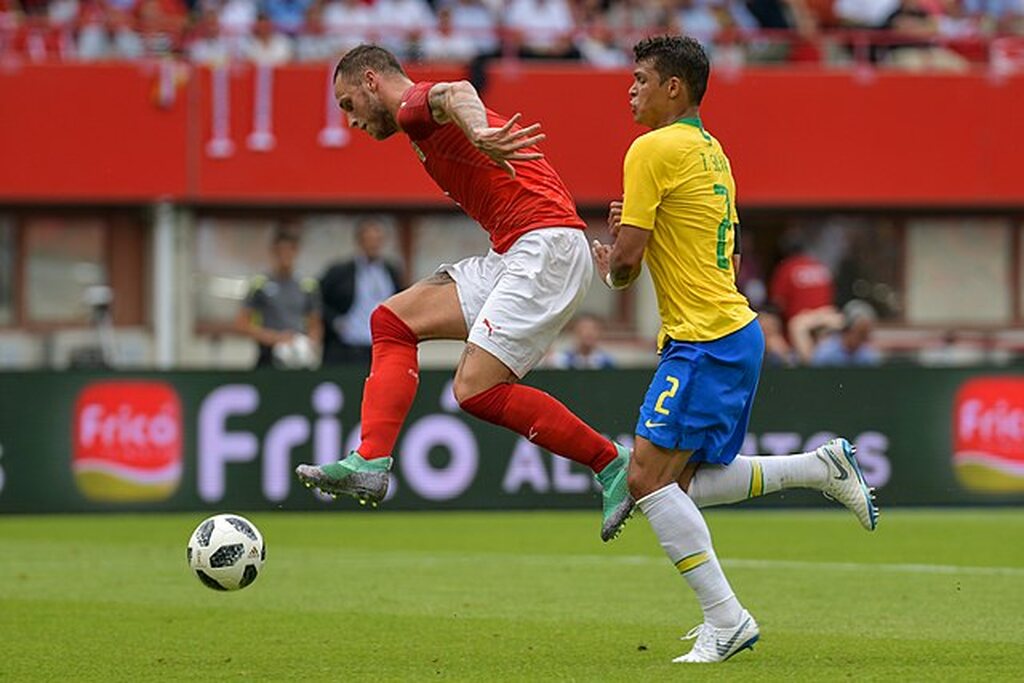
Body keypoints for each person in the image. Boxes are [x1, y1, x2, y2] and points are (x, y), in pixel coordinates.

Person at [591, 35, 878, 664]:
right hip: (729, 332)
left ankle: (727, 619)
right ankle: (820, 468)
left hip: (703, 338)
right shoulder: (711, 151)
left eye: (640, 78)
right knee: (681, 483)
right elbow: (733, 250)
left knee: (644, 480)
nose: (630, 90)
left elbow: (628, 267)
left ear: (674, 87)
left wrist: (612, 258)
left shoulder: (650, 148)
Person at [295, 44, 632, 541]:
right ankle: (370, 458)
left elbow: (458, 91)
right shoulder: (415, 120)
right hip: (517, 251)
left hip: (543, 248)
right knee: (391, 320)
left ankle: (610, 463)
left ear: (371, 81)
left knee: (473, 389)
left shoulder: (411, 105)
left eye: (348, 104)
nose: (350, 120)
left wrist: (481, 132)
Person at [319, 217, 403, 365]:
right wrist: (335, 322)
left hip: (380, 347)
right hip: (348, 348)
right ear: (359, 241)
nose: (373, 244)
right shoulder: (341, 272)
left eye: (377, 240)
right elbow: (319, 300)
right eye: (369, 239)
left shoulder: (391, 271)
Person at [236, 229, 322, 369]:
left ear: (296, 252)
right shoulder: (260, 284)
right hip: (268, 356)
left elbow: (315, 323)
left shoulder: (307, 285)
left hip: (298, 355)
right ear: (274, 252)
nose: (285, 255)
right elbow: (242, 324)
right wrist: (275, 338)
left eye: (289, 250)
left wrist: (309, 345)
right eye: (281, 251)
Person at [811, 299, 883, 366]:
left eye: (866, 335)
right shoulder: (826, 352)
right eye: (861, 334)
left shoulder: (868, 356)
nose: (864, 340)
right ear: (847, 330)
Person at [548, 313, 616, 369]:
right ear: (575, 331)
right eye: (584, 328)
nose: (589, 333)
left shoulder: (607, 363)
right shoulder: (562, 361)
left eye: (594, 328)